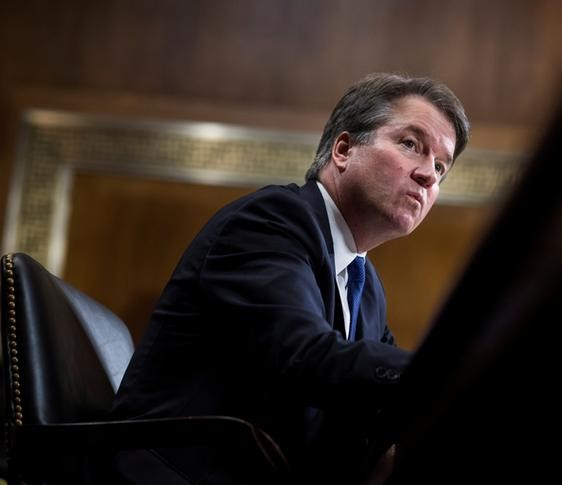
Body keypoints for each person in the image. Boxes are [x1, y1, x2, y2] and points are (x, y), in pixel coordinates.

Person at [110, 72, 470, 484]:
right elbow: (303, 356)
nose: (428, 175)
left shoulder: (366, 288)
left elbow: (374, 399)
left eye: (441, 167)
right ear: (344, 149)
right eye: (411, 145)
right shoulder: (273, 220)